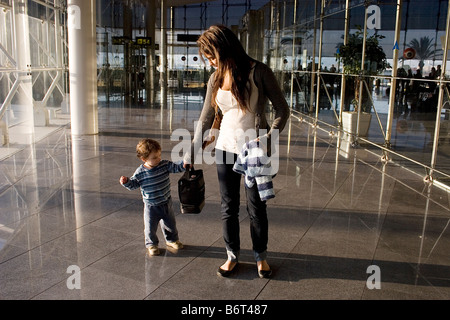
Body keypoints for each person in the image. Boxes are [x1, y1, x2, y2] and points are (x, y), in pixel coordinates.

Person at [185, 25, 290, 278]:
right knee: (228, 206)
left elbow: (282, 109)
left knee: (256, 206)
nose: (210, 62)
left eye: (211, 56)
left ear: (224, 49)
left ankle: (260, 257)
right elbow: (206, 116)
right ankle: (232, 255)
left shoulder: (259, 71)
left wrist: (268, 137)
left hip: (254, 150)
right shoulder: (215, 78)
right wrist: (192, 152)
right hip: (225, 148)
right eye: (207, 58)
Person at [120, 138, 185, 256]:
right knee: (150, 227)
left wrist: (184, 163)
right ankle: (151, 244)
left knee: (170, 223)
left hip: (166, 202)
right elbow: (134, 184)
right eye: (154, 157)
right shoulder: (140, 172)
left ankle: (172, 240)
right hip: (151, 206)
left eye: (159, 155)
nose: (158, 159)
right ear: (144, 159)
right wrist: (126, 182)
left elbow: (176, 167)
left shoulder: (164, 165)